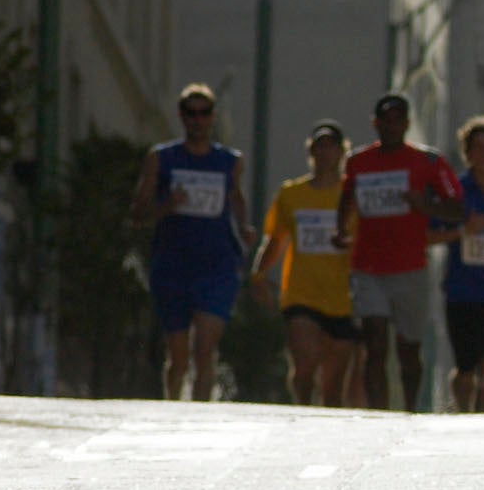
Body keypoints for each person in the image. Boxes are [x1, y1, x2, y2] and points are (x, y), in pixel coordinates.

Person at [333, 93, 465, 411]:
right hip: (369, 268)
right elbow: (347, 198)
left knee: (408, 348)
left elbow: (457, 209)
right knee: (375, 343)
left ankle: (409, 410)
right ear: (375, 124)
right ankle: (378, 414)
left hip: (410, 268)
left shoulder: (428, 161)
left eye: (397, 120)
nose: (391, 127)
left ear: (407, 124)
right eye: (385, 121)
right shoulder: (358, 161)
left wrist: (425, 204)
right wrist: (341, 230)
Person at [129, 83, 255, 401]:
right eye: (190, 113)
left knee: (205, 350)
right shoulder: (161, 159)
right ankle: (173, 408)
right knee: (179, 356)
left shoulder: (229, 161)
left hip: (216, 266)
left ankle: (200, 416)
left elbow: (236, 199)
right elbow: (137, 213)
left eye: (203, 113)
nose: (197, 120)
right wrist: (166, 206)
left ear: (212, 117)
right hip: (173, 267)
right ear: (181, 117)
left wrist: (244, 228)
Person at [251, 120, 359, 406]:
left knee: (333, 387)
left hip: (342, 298)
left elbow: (368, 243)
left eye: (331, 147)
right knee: (305, 366)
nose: (325, 153)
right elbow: (275, 240)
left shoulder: (352, 196)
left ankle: (326, 436)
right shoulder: (291, 194)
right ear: (311, 151)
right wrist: (259, 275)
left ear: (341, 152)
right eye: (319, 147)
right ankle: (301, 412)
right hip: (300, 294)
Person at [428, 116, 484, 413]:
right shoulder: (454, 193)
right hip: (462, 291)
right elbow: (428, 235)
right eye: (477, 147)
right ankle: (463, 415)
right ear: (467, 152)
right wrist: (462, 230)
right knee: (466, 368)